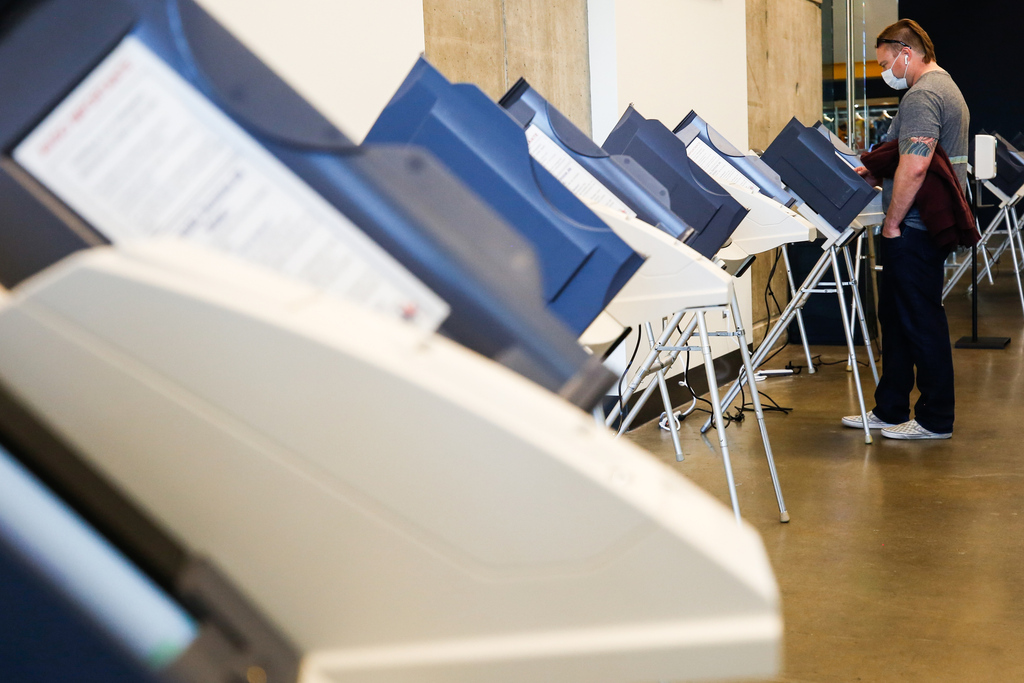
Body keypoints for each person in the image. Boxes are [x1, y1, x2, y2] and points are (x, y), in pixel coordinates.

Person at [842, 19, 969, 440]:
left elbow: (915, 166)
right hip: (920, 223)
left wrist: (893, 223)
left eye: (885, 62)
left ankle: (936, 419)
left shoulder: (924, 94)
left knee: (919, 318)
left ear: (906, 53)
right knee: (896, 319)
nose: (885, 71)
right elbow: (908, 159)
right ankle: (891, 407)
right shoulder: (942, 88)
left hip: (913, 226)